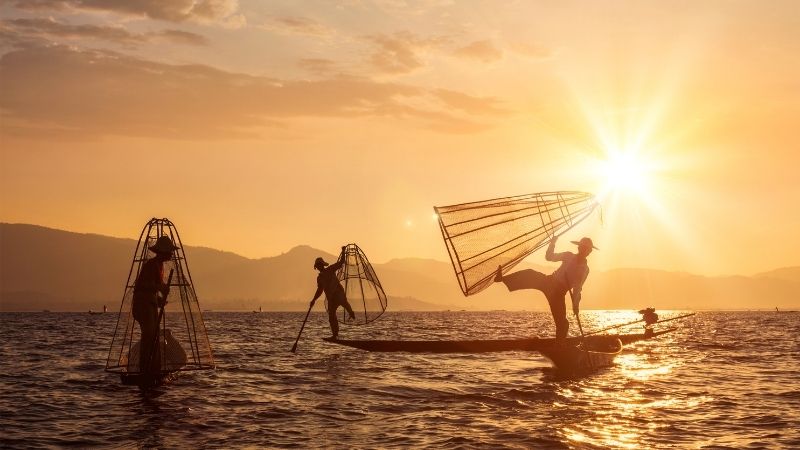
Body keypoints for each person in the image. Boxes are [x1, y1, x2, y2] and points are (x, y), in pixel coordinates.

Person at [494, 236, 597, 342]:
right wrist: (552, 244)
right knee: (530, 274)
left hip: (558, 294)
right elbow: (549, 257)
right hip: (549, 282)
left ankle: (559, 345)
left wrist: (576, 305)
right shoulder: (568, 255)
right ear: (579, 248)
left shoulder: (584, 269)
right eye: (582, 247)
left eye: (586, 249)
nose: (583, 250)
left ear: (589, 251)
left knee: (563, 324)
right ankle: (502, 279)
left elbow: (577, 288)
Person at [132, 235, 178, 375]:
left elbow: (152, 289)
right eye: (169, 251)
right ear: (162, 252)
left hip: (150, 305)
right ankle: (145, 369)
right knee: (149, 336)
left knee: (154, 336)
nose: (171, 254)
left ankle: (152, 368)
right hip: (143, 306)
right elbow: (142, 285)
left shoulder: (160, 266)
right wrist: (160, 287)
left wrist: (159, 300)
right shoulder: (151, 265)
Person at [310, 246, 356, 339]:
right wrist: (314, 300)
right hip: (331, 298)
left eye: (319, 265)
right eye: (318, 266)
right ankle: (335, 334)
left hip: (338, 293)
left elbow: (341, 262)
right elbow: (319, 290)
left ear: (322, 265)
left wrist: (343, 251)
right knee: (331, 316)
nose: (319, 267)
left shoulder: (330, 269)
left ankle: (351, 312)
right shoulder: (320, 278)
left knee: (344, 302)